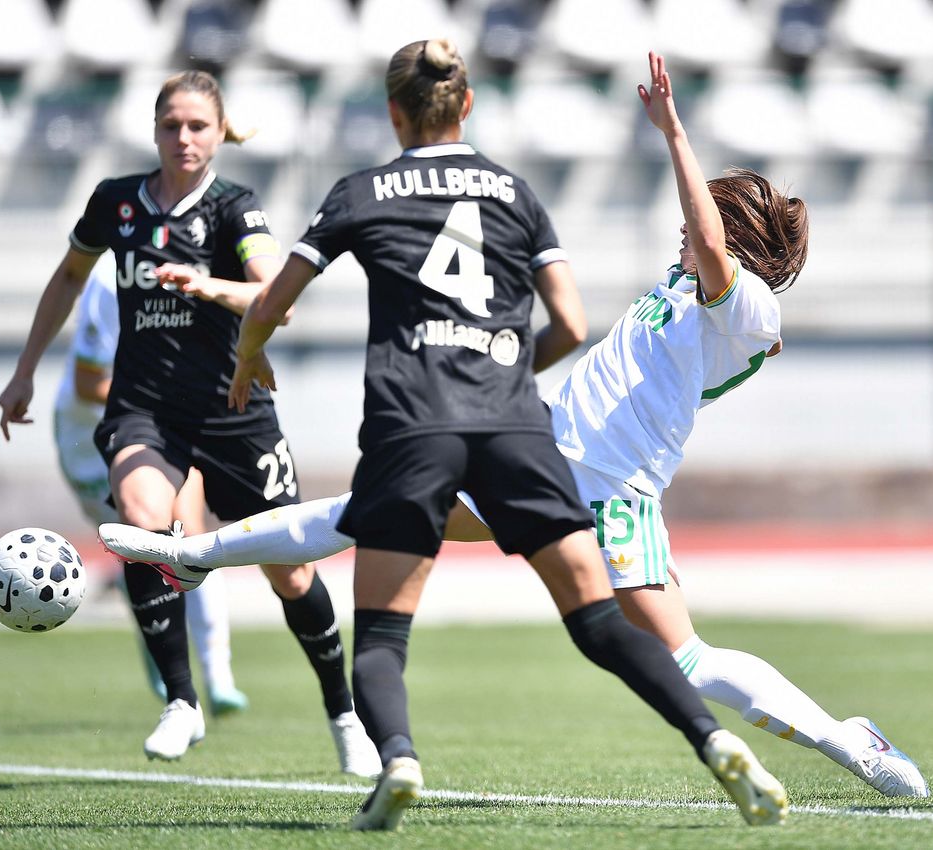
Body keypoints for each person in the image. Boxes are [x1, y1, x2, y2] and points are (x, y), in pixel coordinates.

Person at [103, 50, 927, 801]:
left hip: (609, 492)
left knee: (687, 659)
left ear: (732, 235)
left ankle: (848, 741)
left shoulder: (747, 305)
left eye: (699, 219)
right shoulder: (691, 291)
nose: (683, 228)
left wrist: (673, 133)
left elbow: (708, 243)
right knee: (365, 514)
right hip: (535, 454)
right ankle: (196, 554)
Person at [221, 42, 783, 829]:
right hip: (519, 427)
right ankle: (710, 740)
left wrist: (248, 356)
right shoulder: (512, 192)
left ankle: (400, 758)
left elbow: (272, 302)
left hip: (414, 422)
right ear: (469, 105)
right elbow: (571, 323)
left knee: (381, 629)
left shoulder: (361, 190)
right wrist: (508, 372)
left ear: (392, 112)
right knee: (595, 620)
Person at [0, 70, 379, 777]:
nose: (183, 138)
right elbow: (68, 277)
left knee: (289, 575)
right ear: (153, 129)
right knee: (141, 523)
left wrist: (208, 286)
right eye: (171, 124)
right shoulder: (116, 203)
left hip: (233, 408)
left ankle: (345, 713)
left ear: (218, 132)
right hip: (146, 408)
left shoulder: (236, 207)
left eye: (198, 126)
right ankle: (181, 700)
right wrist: (23, 370)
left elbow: (274, 297)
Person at [56, 251, 248, 714]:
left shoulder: (203, 273)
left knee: (191, 531)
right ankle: (162, 651)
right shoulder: (111, 276)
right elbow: (88, 383)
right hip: (88, 436)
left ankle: (218, 675)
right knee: (142, 547)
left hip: (162, 426)